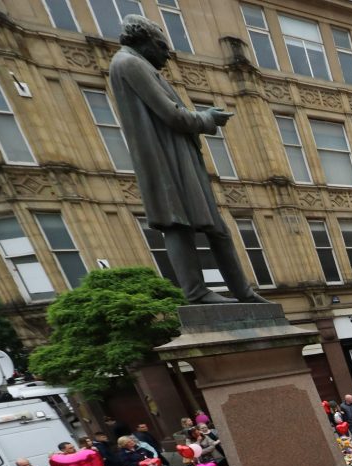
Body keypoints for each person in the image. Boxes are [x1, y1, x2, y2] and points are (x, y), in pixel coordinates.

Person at [107, 16, 269, 305]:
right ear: (142, 41)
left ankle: (242, 291)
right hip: (165, 158)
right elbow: (172, 115)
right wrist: (207, 119)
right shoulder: (128, 63)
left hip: (178, 154)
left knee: (215, 228)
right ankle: (196, 292)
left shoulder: (136, 64)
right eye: (161, 46)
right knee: (178, 224)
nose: (167, 54)